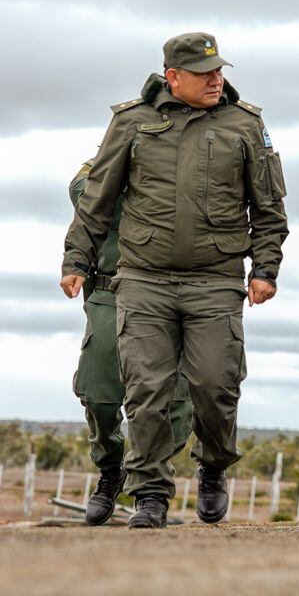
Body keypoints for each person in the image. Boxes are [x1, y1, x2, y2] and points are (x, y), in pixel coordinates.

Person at [62, 32, 289, 529]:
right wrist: (76, 260)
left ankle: (213, 464)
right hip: (143, 278)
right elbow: (96, 199)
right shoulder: (132, 122)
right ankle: (150, 494)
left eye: (219, 71)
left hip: (215, 278)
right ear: (173, 76)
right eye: (204, 73)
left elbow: (268, 207)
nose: (216, 80)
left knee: (215, 385)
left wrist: (265, 269)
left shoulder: (244, 124)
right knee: (146, 389)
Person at [69, 160, 197, 525]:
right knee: (97, 392)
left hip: (171, 293)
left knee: (173, 400)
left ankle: (149, 484)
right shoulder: (113, 154)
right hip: (112, 291)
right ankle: (111, 468)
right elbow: (82, 191)